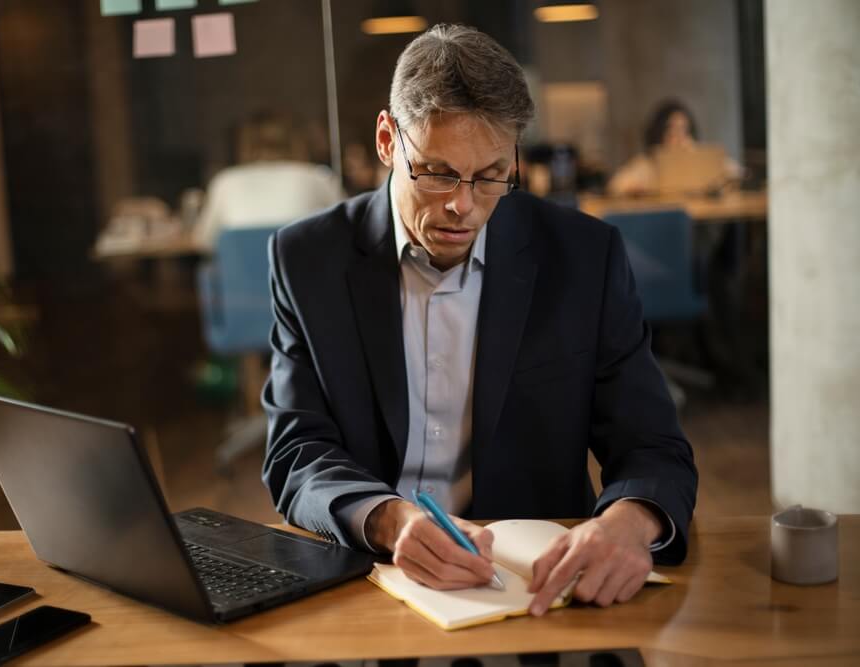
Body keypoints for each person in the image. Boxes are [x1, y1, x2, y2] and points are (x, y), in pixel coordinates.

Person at [262, 24, 697, 616]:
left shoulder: (583, 258)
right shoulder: (308, 259)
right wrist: (389, 520)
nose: (462, 205)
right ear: (388, 140)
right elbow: (297, 450)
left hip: (537, 592)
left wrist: (630, 520)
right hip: (370, 580)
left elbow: (652, 446)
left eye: (491, 175)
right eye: (438, 172)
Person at [193, 113, 345, 247]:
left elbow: (203, 240)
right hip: (305, 277)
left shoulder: (225, 181)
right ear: (298, 142)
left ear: (245, 144)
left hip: (240, 279)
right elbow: (352, 232)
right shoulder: (319, 177)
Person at [607, 99, 741, 196]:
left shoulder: (699, 160)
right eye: (671, 130)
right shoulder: (648, 163)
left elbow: (736, 173)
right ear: (659, 132)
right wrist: (639, 189)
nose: (678, 136)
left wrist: (694, 152)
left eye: (684, 130)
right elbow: (616, 185)